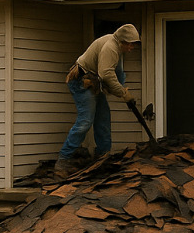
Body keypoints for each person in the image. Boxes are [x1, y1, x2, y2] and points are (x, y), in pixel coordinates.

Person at [56, 24, 141, 172]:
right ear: (123, 41)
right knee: (85, 122)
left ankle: (103, 157)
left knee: (103, 119)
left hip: (94, 83)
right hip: (81, 82)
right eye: (131, 44)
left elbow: (118, 72)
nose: (132, 48)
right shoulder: (111, 47)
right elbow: (106, 74)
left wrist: (122, 90)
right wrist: (122, 93)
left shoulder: (117, 48)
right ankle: (64, 159)